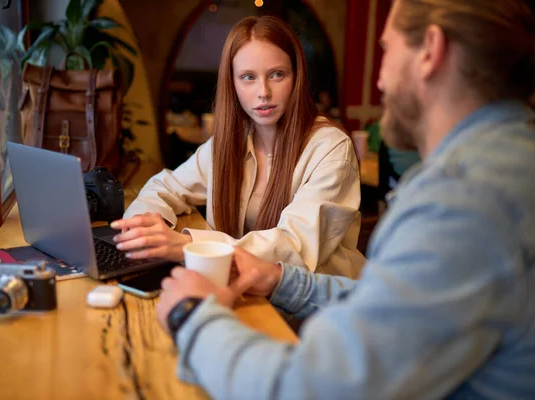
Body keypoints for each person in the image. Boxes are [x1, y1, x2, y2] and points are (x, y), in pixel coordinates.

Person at [155, 0, 535, 398]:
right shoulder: (510, 163)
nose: (379, 82)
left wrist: (192, 317)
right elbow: (389, 304)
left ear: (430, 49)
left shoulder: (464, 201)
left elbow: (313, 389)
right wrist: (281, 280)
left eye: (386, 49)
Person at [111, 16, 364, 277]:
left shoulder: (331, 149)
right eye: (248, 77)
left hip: (321, 309)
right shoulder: (232, 140)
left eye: (277, 75)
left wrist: (187, 245)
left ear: (297, 77)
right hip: (250, 291)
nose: (263, 91)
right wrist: (146, 226)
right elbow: (165, 187)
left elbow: (293, 248)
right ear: (231, 83)